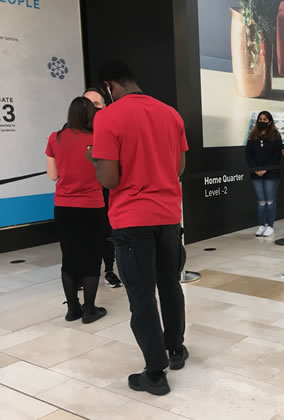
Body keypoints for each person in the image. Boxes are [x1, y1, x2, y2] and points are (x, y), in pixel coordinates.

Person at [90, 60, 188, 396]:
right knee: (170, 284)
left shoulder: (107, 117)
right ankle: (176, 350)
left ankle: (155, 373)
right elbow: (179, 166)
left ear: (109, 86)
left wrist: (96, 160)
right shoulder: (170, 114)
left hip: (132, 221)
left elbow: (110, 178)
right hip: (168, 217)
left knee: (142, 295)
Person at [46, 97, 107, 325]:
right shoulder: (98, 139)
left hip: (64, 207)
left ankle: (73, 309)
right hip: (92, 207)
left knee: (69, 257)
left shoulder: (55, 138)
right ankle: (90, 309)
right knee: (92, 258)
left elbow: (53, 175)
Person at [82, 88, 121, 288]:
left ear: (105, 106)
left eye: (96, 105)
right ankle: (85, 272)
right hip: (82, 195)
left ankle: (109, 270)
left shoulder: (110, 128)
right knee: (84, 235)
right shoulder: (70, 131)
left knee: (107, 232)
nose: (91, 109)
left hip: (105, 190)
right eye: (87, 103)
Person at [245, 111, 283, 237]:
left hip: (271, 173)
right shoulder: (252, 135)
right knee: (261, 201)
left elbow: (277, 155)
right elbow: (248, 154)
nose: (262, 121)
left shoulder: (276, 136)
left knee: (270, 201)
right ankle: (261, 225)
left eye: (265, 119)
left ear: (270, 121)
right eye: (260, 119)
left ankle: (270, 225)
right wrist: (255, 168)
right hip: (256, 173)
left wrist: (266, 169)